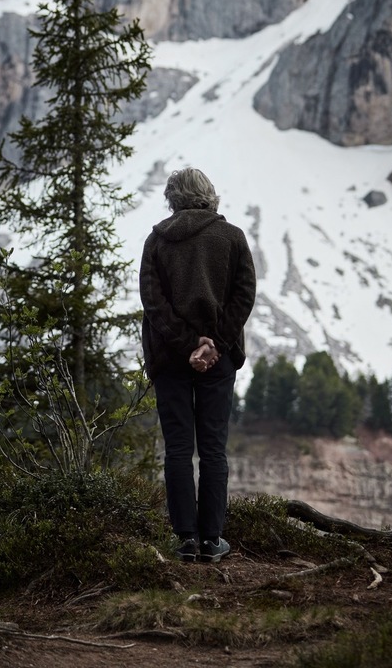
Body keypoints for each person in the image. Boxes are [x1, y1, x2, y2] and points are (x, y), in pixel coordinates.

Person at [139, 167, 257, 564]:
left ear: (173, 197)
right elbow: (244, 297)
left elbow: (153, 304)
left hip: (169, 359)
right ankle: (212, 540)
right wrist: (213, 345)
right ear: (209, 194)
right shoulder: (232, 238)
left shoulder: (157, 240)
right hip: (219, 361)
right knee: (212, 450)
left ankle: (185, 539)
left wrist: (188, 345)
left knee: (176, 449)